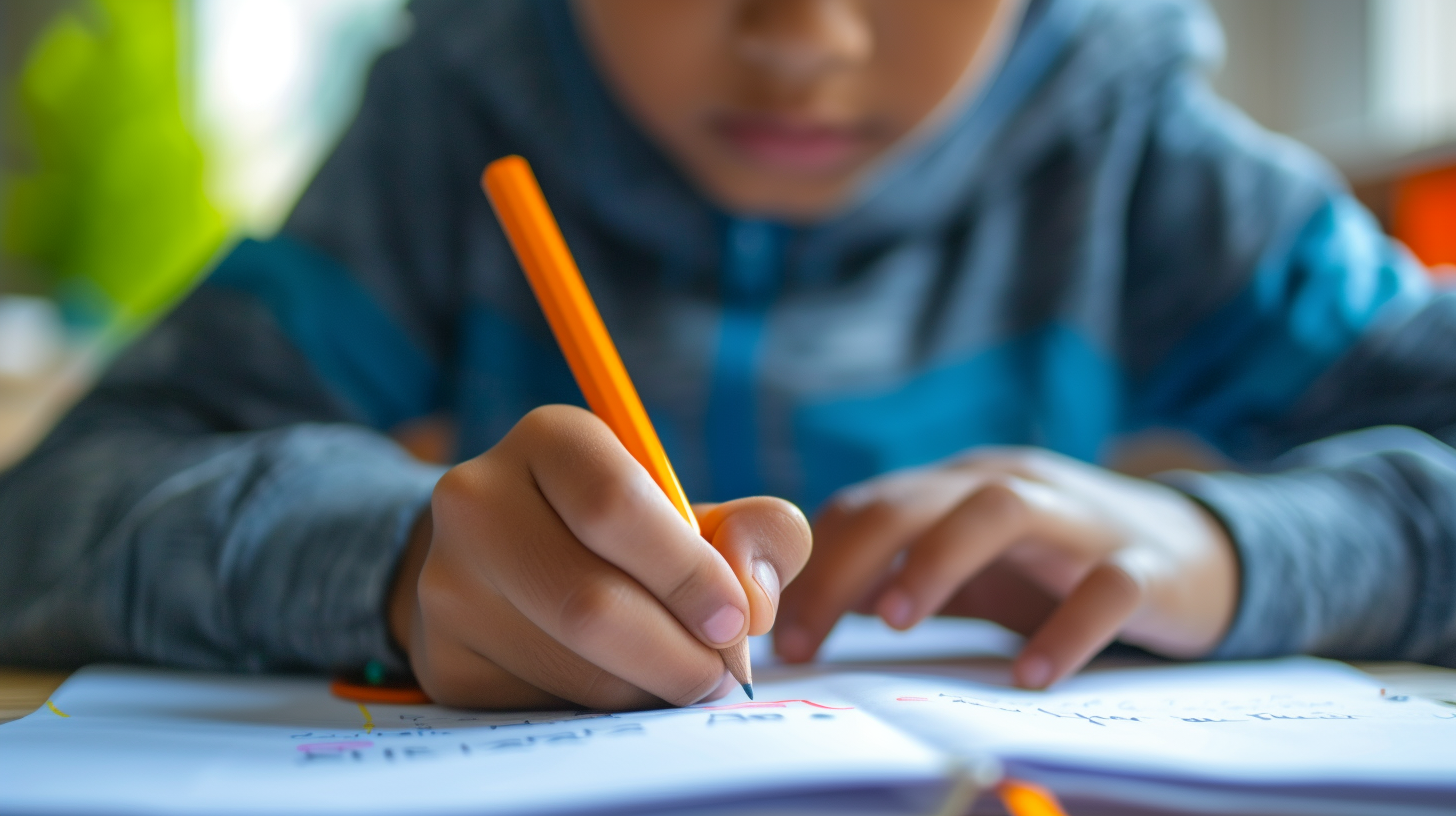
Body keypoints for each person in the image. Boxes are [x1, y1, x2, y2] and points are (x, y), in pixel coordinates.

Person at [2, 0, 1454, 710]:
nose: (801, 37)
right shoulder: (454, 122)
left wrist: (1229, 546)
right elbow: (51, 513)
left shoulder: (1137, 151)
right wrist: (392, 559)